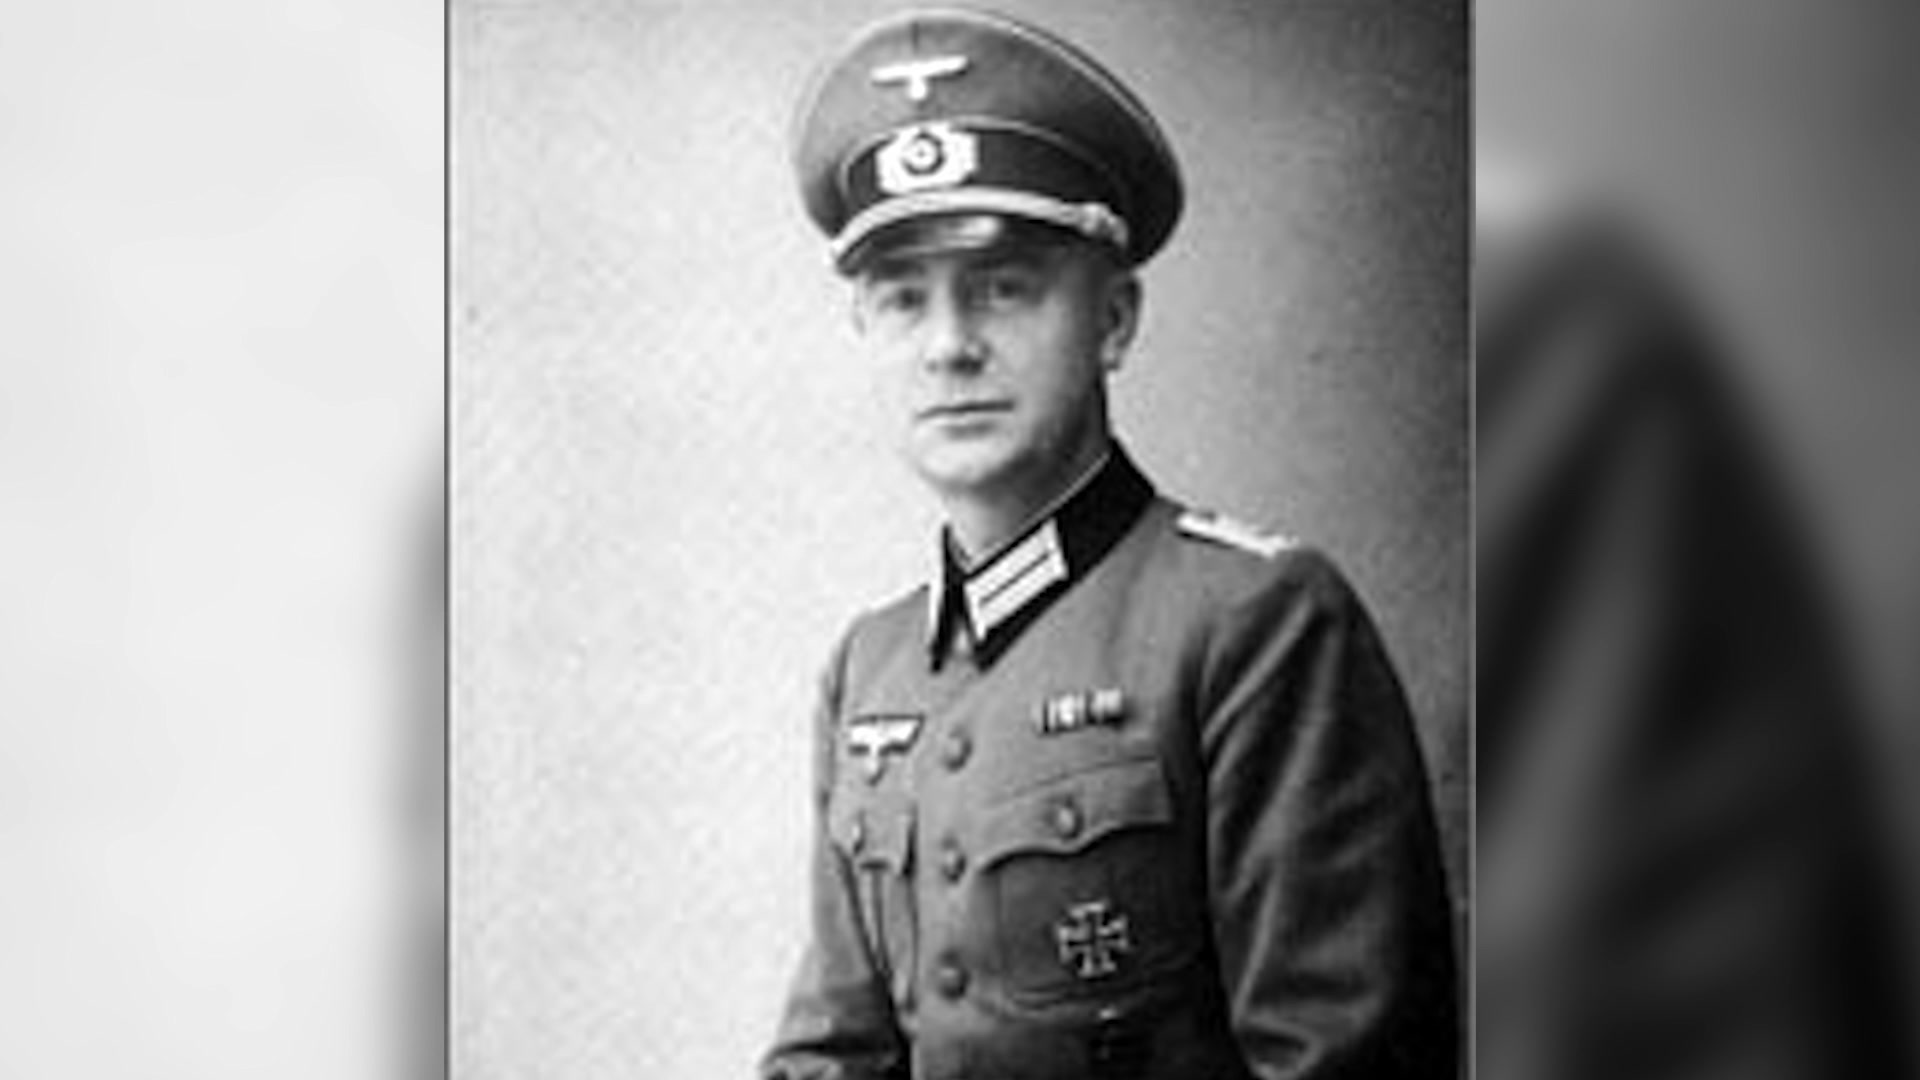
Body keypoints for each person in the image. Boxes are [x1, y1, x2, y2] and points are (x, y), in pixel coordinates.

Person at [762, 9, 1459, 1078]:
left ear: (1115, 321)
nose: (949, 347)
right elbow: (832, 1056)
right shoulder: (871, 670)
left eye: (1004, 288)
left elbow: (1349, 1061)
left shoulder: (1252, 624)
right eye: (903, 300)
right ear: (866, 335)